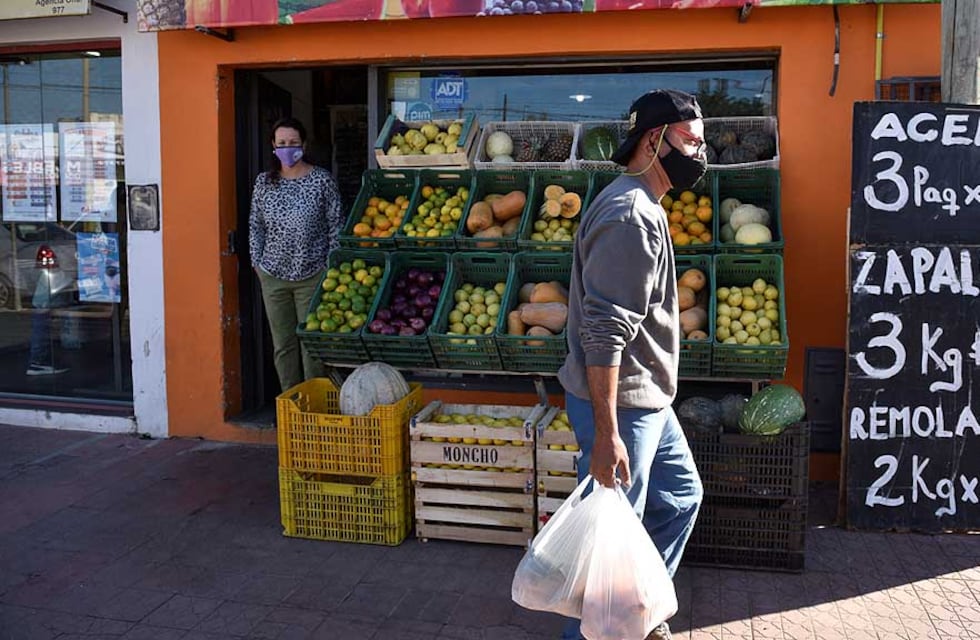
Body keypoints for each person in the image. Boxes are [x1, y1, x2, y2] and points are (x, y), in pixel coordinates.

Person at [557, 89, 706, 640]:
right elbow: (604, 330)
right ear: (654, 139)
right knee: (608, 544)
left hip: (648, 397)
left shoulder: (641, 204)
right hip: (621, 403)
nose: (699, 153)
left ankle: (635, 616)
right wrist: (607, 433)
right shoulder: (630, 215)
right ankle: (599, 629)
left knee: (680, 497)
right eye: (691, 141)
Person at [249, 117, 343, 392]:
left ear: (304, 144)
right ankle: (293, 404)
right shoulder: (264, 183)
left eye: (293, 143)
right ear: (273, 146)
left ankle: (315, 406)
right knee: (283, 345)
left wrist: (329, 266)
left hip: (312, 275)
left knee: (312, 343)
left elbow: (336, 225)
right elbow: (255, 225)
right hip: (273, 276)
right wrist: (257, 263)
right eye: (282, 143)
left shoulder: (321, 180)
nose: (287, 148)